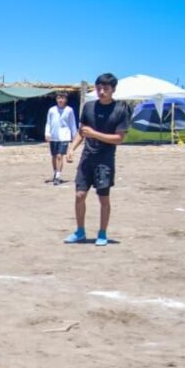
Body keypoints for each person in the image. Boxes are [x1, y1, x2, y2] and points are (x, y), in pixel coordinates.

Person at [64, 73, 131, 246]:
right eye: (99, 88)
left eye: (105, 89)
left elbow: (119, 138)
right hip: (87, 158)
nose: (101, 92)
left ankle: (102, 233)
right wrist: (72, 148)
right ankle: (80, 231)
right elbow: (82, 131)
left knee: (103, 198)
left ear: (113, 90)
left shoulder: (120, 110)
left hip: (105, 160)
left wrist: (94, 134)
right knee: (79, 195)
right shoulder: (88, 107)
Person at [45, 92, 78, 185]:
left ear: (66, 100)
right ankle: (55, 173)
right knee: (54, 156)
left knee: (60, 155)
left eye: (63, 98)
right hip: (53, 136)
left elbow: (72, 123)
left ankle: (58, 176)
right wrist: (47, 133)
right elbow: (48, 122)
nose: (61, 100)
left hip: (64, 135)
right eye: (59, 98)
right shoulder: (51, 110)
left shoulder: (69, 110)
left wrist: (74, 135)